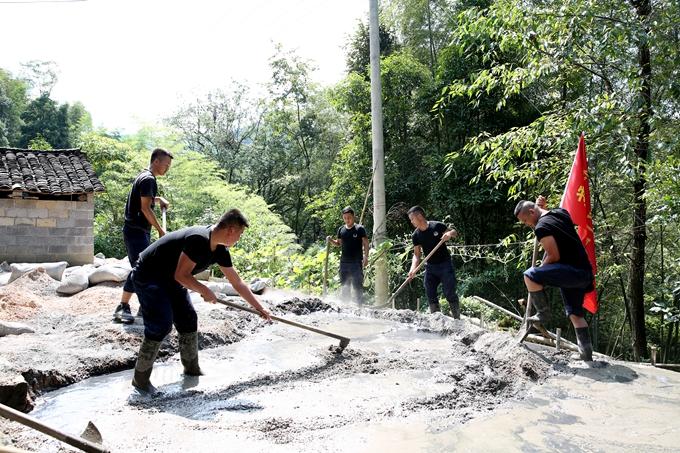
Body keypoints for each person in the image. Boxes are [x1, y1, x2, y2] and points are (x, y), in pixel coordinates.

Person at [130, 208, 272, 393]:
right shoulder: (199, 239)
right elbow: (182, 275)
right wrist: (204, 289)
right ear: (230, 230)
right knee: (160, 325)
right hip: (149, 275)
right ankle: (140, 379)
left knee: (188, 319)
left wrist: (260, 309)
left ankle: (191, 369)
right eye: (240, 234)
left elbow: (237, 283)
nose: (239, 239)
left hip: (171, 279)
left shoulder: (220, 249)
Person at [514, 196, 594, 361]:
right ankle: (586, 355)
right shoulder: (561, 213)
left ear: (531, 212)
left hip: (570, 271)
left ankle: (543, 313)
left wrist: (539, 273)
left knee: (529, 275)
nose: (526, 224)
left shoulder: (542, 227)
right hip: (584, 272)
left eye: (525, 220)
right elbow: (543, 215)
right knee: (575, 314)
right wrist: (539, 207)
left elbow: (554, 255)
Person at [113, 148, 173, 324]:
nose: (167, 168)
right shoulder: (148, 179)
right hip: (136, 232)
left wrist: (158, 199)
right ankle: (122, 307)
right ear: (156, 161)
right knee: (141, 269)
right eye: (166, 164)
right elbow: (144, 208)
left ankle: (144, 307)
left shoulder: (144, 176)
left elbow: (144, 200)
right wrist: (160, 230)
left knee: (145, 269)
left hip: (137, 231)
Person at [406, 206, 460, 318]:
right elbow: (417, 255)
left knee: (449, 292)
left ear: (419, 216)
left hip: (445, 265)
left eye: (412, 219)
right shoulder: (415, 235)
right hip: (430, 267)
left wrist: (449, 234)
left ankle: (457, 319)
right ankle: (436, 319)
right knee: (430, 292)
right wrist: (412, 269)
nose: (411, 222)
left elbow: (455, 232)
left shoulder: (437, 226)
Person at [328, 207, 369, 304]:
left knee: (357, 285)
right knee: (344, 285)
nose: (347, 220)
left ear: (353, 217)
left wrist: (366, 257)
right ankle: (346, 306)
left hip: (356, 263)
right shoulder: (341, 230)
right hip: (344, 263)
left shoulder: (359, 229)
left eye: (349, 217)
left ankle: (359, 306)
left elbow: (366, 243)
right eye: (345, 218)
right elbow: (338, 244)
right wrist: (331, 240)